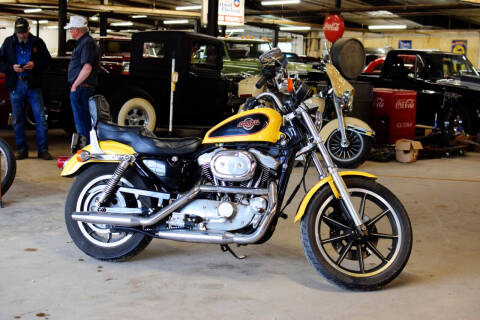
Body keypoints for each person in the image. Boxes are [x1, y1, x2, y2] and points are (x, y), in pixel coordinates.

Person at [0, 17, 52, 160]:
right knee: (17, 119)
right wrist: (11, 68)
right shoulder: (8, 42)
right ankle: (22, 149)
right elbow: (0, 62)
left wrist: (35, 64)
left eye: (24, 32)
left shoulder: (38, 42)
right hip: (16, 85)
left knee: (40, 118)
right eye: (19, 33)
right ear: (15, 31)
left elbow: (48, 61)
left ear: (28, 29)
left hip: (33, 85)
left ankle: (43, 150)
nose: (22, 35)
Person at [65, 16, 99, 143]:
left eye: (71, 29)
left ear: (77, 29)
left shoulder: (86, 43)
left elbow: (87, 67)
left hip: (82, 87)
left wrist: (75, 85)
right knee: (83, 121)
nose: (70, 31)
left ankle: (86, 152)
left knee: (82, 123)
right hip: (82, 87)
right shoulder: (85, 42)